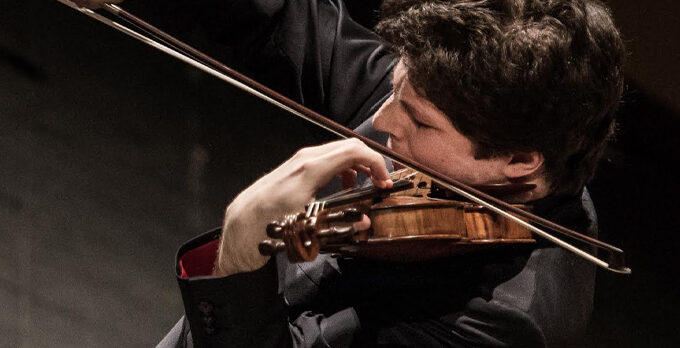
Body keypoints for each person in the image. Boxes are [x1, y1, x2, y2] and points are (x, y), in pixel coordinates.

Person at [72, 0, 625, 346]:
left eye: (419, 121)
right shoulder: (438, 98)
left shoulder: (501, 327)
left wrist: (243, 247)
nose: (379, 124)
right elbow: (289, 17)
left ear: (518, 162)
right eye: (394, 90)